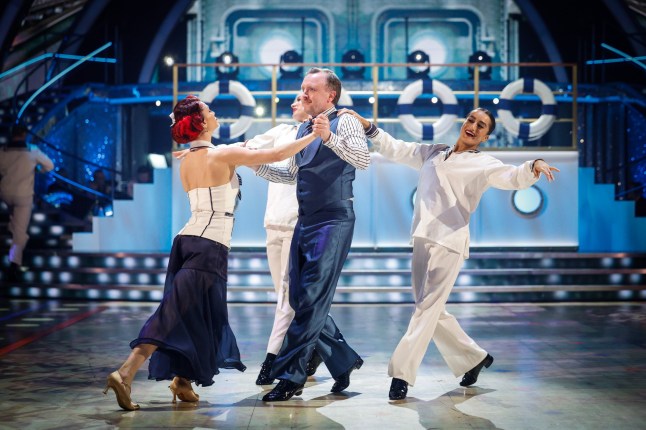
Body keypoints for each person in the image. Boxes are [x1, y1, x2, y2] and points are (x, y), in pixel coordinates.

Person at [103, 95, 321, 411]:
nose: (214, 113)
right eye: (210, 111)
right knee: (173, 312)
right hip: (209, 246)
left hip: (187, 241)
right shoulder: (221, 154)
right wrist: (315, 135)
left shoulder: (188, 159)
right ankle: (125, 373)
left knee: (198, 316)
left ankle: (182, 380)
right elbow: (275, 153)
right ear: (202, 122)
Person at [340, 107, 559, 400]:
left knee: (426, 308)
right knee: (431, 309)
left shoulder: (483, 163)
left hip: (450, 242)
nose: (473, 126)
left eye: (481, 126)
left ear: (486, 136)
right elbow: (398, 149)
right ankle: (474, 357)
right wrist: (367, 126)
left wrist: (533, 164)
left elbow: (510, 176)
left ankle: (401, 373)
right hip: (422, 237)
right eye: (471, 120)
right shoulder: (436, 152)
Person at [256, 68, 370, 402]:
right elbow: (291, 175)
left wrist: (329, 137)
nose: (303, 94)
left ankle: (291, 376)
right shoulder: (302, 129)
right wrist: (254, 164)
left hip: (334, 220)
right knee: (299, 298)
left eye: (310, 90)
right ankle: (343, 360)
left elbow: (363, 159)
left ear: (330, 95)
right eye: (302, 89)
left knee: (312, 294)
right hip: (304, 221)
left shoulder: (344, 120)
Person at [242, 94, 320, 386]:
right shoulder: (280, 132)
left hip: (299, 225)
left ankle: (272, 360)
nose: (294, 103)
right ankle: (329, 351)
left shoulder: (319, 136)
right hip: (272, 224)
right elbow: (250, 148)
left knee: (287, 298)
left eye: (301, 98)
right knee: (290, 298)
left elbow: (291, 174)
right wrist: (212, 151)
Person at [0, 124, 54, 281]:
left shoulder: (3, 151)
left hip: (5, 193)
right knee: (20, 233)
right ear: (24, 134)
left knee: (15, 223)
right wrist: (37, 169)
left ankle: (13, 230)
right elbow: (50, 165)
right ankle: (14, 264)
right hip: (23, 195)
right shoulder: (32, 150)